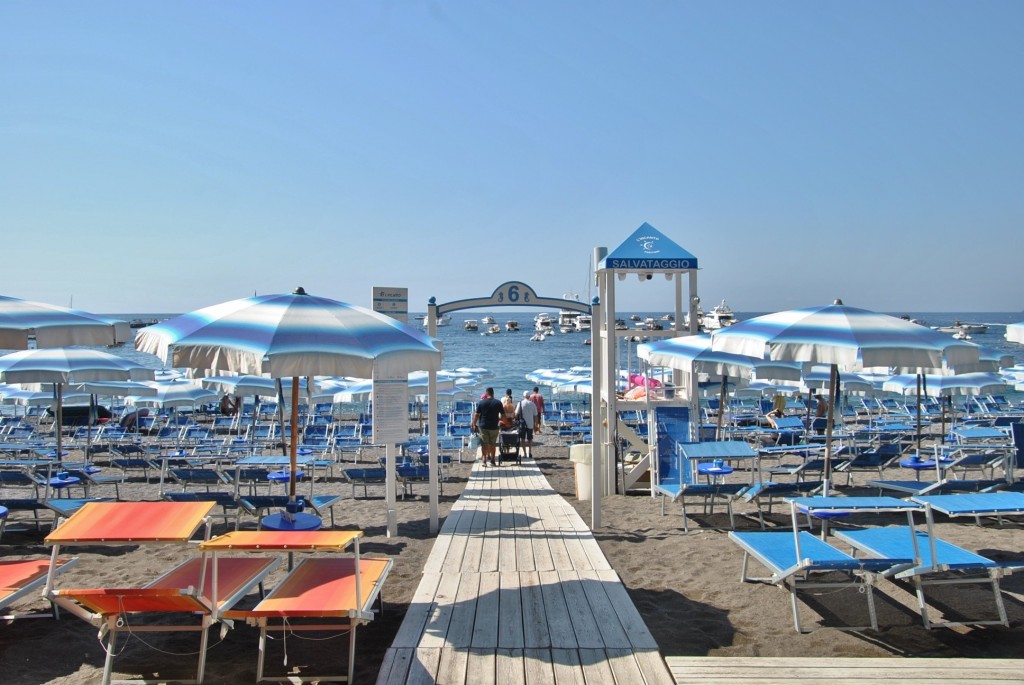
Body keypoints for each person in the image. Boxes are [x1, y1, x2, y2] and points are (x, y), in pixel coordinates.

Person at [471, 387, 506, 467]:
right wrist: (505, 423)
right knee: (492, 444)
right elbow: (503, 415)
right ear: (493, 393)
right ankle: (493, 461)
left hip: (483, 426)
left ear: (486, 394)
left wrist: (474, 423)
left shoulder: (481, 402)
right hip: (494, 426)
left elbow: (476, 415)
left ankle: (484, 460)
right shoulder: (498, 403)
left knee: (484, 444)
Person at [516, 390, 539, 461]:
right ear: (529, 396)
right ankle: (530, 452)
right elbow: (536, 415)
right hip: (530, 424)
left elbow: (516, 413)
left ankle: (525, 453)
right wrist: (536, 425)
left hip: (522, 424)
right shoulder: (532, 404)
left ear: (523, 396)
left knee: (522, 439)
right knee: (530, 439)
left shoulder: (520, 403)